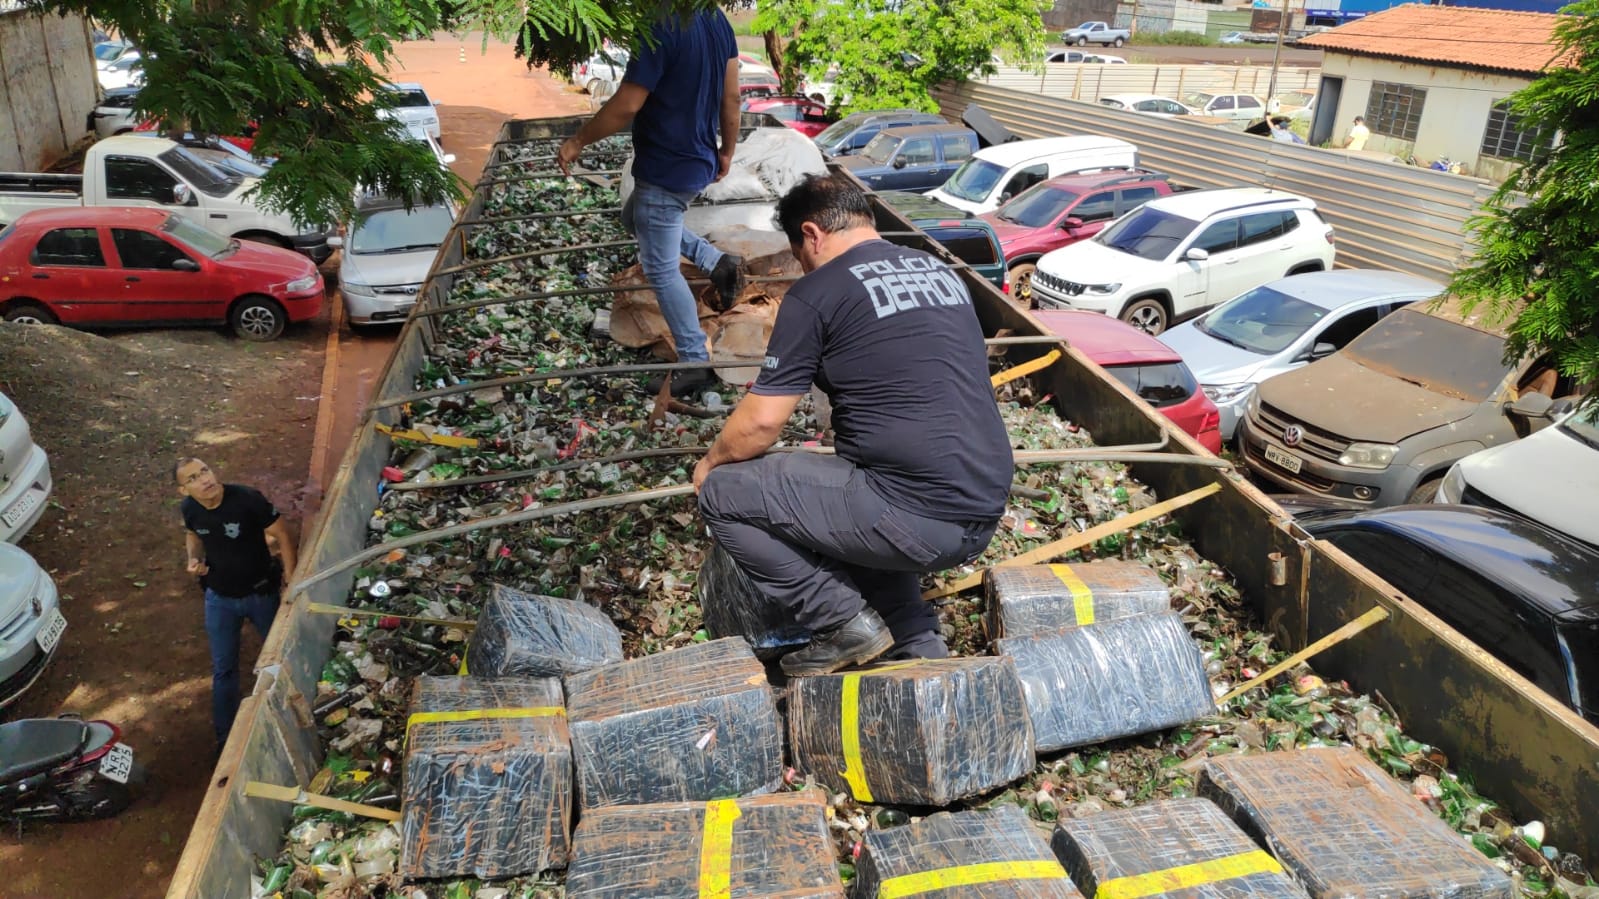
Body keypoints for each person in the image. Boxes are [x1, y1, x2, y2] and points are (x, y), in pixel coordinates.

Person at [694, 173, 1014, 676]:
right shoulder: (940, 272)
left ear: (812, 234)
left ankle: (842, 621)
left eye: (799, 251)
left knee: (724, 491)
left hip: (913, 516)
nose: (802, 263)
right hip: (983, 507)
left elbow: (761, 423)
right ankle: (916, 639)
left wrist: (710, 462)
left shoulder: (819, 289)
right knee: (859, 483)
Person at [557, 10, 746, 398]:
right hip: (695, 159)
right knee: (636, 218)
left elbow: (627, 104)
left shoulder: (660, 25)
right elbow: (732, 97)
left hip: (666, 167)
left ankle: (695, 361)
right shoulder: (715, 18)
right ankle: (717, 263)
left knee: (661, 270)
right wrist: (726, 151)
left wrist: (577, 141)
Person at [176, 457, 295, 751]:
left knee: (281, 660)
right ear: (183, 490)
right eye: (193, 478)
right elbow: (192, 534)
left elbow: (281, 533)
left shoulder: (246, 499)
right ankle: (226, 740)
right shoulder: (190, 509)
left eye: (205, 470)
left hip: (261, 595)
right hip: (219, 599)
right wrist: (193, 558)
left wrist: (292, 581)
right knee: (223, 670)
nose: (204, 479)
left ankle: (290, 724)